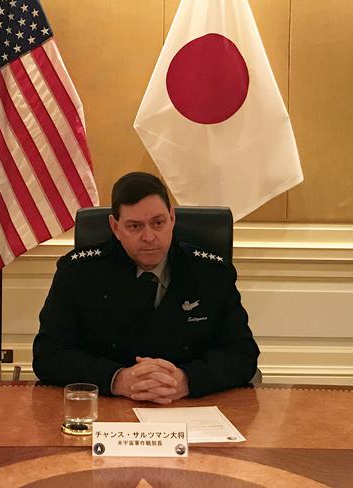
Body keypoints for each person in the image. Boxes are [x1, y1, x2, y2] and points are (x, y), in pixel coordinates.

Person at [33, 172, 259, 403]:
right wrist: (117, 379)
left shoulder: (211, 273)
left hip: (189, 406)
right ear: (115, 227)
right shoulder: (80, 273)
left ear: (172, 219)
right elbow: (49, 354)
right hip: (108, 406)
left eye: (158, 223)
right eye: (135, 226)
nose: (149, 237)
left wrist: (187, 380)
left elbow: (242, 354)